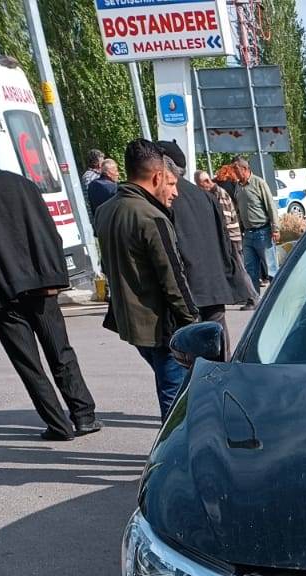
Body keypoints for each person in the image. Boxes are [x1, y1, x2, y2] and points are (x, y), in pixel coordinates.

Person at [0, 119, 99, 440]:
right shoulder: (22, 184)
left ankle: (58, 425)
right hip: (42, 285)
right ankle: (84, 415)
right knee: (61, 351)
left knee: (28, 362)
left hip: (0, 292)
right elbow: (49, 234)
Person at [95, 139, 198, 419]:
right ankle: (176, 458)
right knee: (175, 402)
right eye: (172, 184)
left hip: (132, 325)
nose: (175, 192)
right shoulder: (151, 217)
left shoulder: (106, 211)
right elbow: (173, 279)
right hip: (161, 327)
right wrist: (193, 323)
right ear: (157, 177)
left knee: (172, 391)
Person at [157, 142, 246, 348]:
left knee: (191, 356)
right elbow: (224, 241)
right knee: (218, 346)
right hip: (214, 285)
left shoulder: (165, 200)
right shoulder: (205, 196)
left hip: (187, 290)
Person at [197, 167, 255, 306]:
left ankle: (253, 297)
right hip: (230, 236)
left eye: (200, 185)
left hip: (231, 237)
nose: (200, 189)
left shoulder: (220, 194)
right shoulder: (214, 193)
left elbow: (225, 219)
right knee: (236, 268)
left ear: (206, 182)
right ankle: (245, 296)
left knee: (240, 268)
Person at [230, 154, 279, 295]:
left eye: (236, 169)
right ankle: (254, 299)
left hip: (263, 232)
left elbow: (271, 206)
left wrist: (276, 229)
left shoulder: (259, 183)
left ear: (245, 169)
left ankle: (277, 297)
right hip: (248, 234)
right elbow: (239, 210)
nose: (234, 172)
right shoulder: (238, 187)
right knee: (250, 269)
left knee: (271, 268)